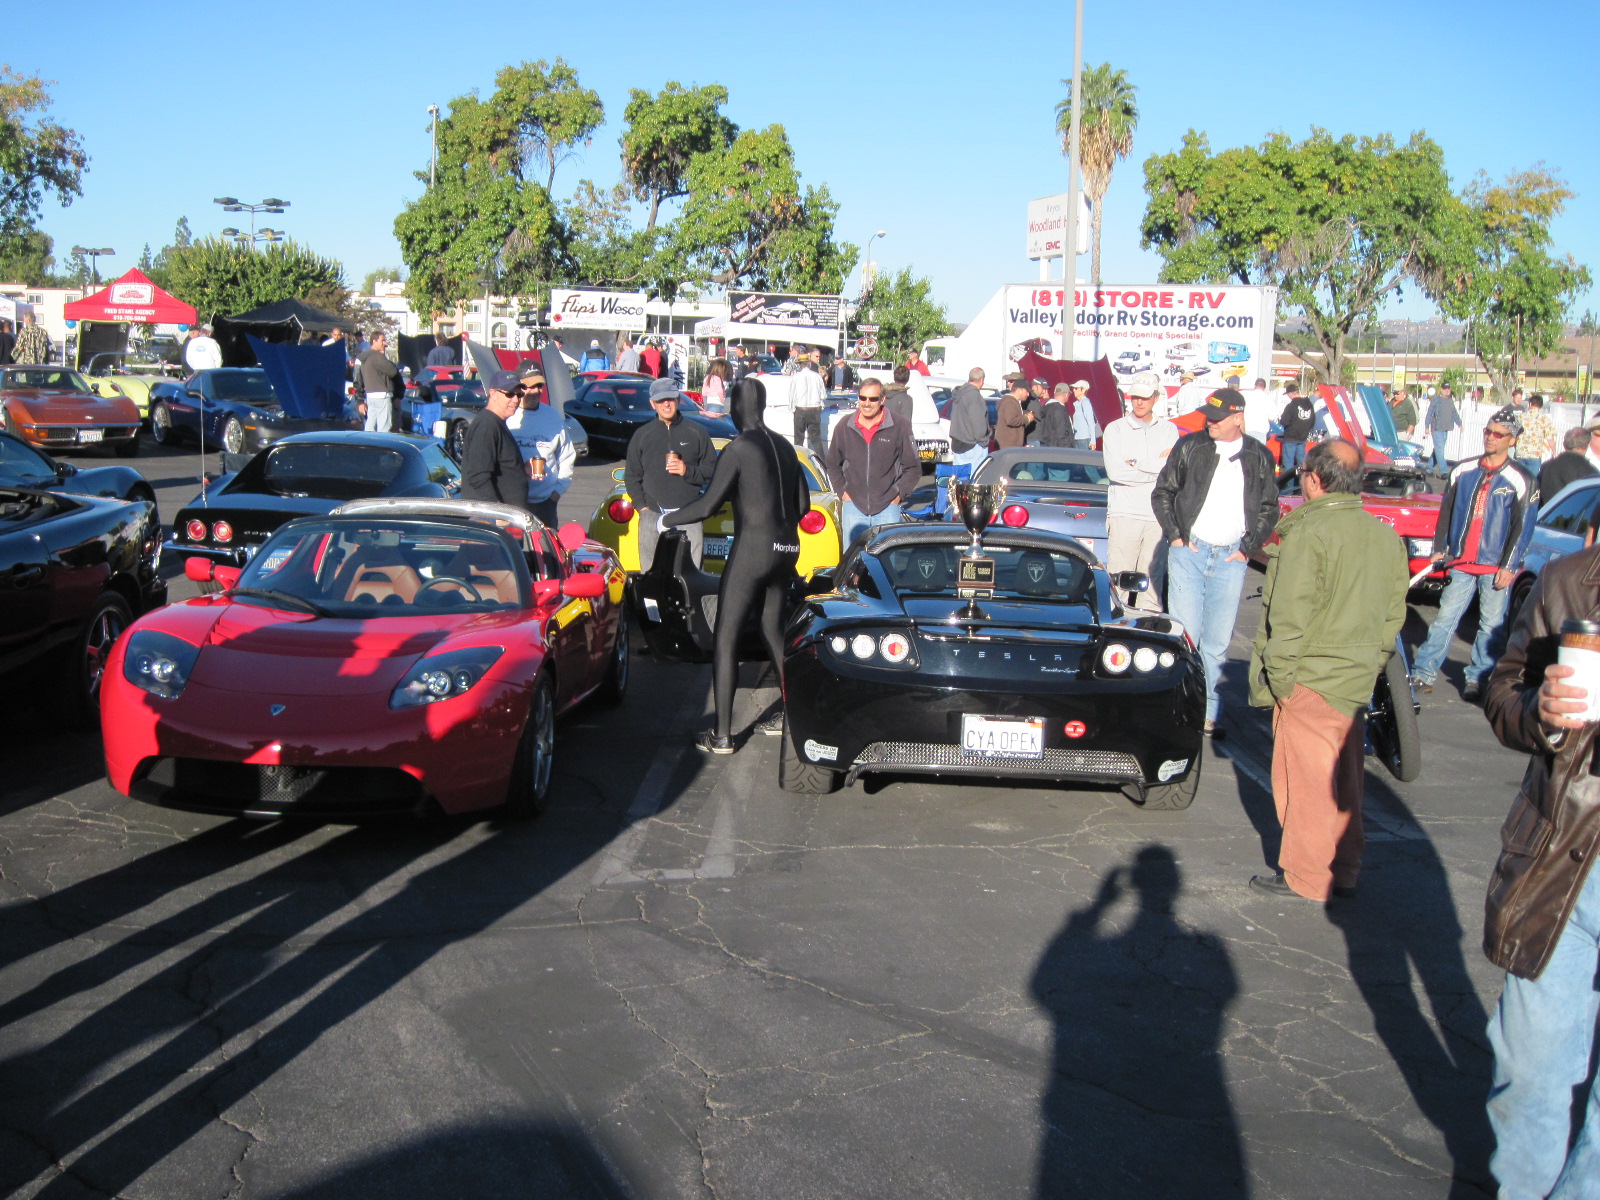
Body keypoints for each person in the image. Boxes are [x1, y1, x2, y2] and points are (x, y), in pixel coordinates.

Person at [1481, 536, 1600, 1197]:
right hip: (1562, 861)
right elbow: (1505, 688)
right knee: (1529, 1075)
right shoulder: (1566, 583)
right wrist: (1541, 715)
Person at [1246, 438, 1409, 902]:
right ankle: (1344, 870)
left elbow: (1289, 618)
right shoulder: (1383, 535)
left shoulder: (1309, 534)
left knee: (1308, 785)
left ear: (1314, 479)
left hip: (1310, 679)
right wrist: (1372, 663)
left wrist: (1280, 680)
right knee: (1345, 781)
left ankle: (1307, 876)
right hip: (1355, 677)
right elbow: (1393, 617)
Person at [664, 378, 810, 754]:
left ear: (736, 408)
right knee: (773, 632)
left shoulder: (739, 447)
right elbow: (804, 507)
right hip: (787, 549)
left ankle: (723, 735)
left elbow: (707, 505)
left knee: (726, 637)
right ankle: (795, 717)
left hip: (754, 549)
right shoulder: (786, 448)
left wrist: (668, 519)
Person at [1151, 388, 1280, 736]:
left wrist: (1248, 547)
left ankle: (1208, 714)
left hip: (1231, 556)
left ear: (1238, 418)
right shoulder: (1190, 446)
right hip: (1189, 553)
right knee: (1185, 635)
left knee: (1217, 643)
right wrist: (1176, 535)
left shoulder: (1259, 456)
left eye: (1217, 417)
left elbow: (1270, 507)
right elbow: (1163, 491)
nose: (1209, 422)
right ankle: (1180, 707)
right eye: (1207, 415)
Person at [1411, 406, 1538, 702]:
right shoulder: (1462, 470)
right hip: (1460, 561)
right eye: (1487, 431)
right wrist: (1439, 548)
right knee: (1445, 618)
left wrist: (1509, 565)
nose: (1490, 438)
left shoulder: (1523, 479)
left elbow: (1524, 527)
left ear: (1512, 440)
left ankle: (1479, 677)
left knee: (1490, 626)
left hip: (1495, 565)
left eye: (1498, 434)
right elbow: (1446, 512)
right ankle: (1423, 672)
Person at [1102, 374, 1179, 612]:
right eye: (1135, 397)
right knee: (1119, 577)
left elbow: (1172, 469)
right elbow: (1116, 472)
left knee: (1153, 581)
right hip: (1124, 513)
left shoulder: (1169, 429)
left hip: (1157, 516)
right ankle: (1116, 621)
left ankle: (1150, 626)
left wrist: (1136, 463)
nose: (1139, 402)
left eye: (1145, 397)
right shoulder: (1115, 429)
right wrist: (1156, 466)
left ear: (1155, 398)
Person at [626, 377, 716, 571]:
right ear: (652, 403)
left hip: (689, 515)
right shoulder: (642, 435)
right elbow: (632, 476)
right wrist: (642, 508)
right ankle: (652, 603)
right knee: (650, 573)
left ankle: (689, 603)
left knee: (691, 574)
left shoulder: (696, 432)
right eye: (660, 400)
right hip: (652, 515)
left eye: (671, 399)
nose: (666, 404)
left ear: (678, 400)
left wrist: (687, 471)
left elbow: (712, 470)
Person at [826, 377, 920, 547]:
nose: (867, 403)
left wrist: (898, 494)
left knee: (887, 564)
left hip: (887, 507)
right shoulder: (844, 426)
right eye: (862, 398)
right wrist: (843, 492)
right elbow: (832, 463)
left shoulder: (900, 425)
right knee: (853, 566)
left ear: (882, 399)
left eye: (873, 399)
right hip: (853, 507)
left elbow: (913, 468)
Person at [505, 368, 575, 526]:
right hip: (512, 502)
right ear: (520, 387)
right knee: (516, 549)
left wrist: (556, 494)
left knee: (545, 550)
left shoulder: (552, 416)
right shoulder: (508, 414)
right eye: (530, 386)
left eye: (540, 386)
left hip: (545, 503)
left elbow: (566, 456)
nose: (536, 391)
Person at [460, 369, 529, 508]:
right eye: (509, 394)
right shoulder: (487, 426)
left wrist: (522, 468)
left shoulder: (497, 422)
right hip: (493, 519)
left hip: (509, 516)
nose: (515, 400)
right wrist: (498, 513)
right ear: (493, 393)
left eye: (519, 394)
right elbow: (478, 476)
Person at [356, 332, 402, 432]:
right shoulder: (376, 356)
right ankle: (382, 446)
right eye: (383, 340)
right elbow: (393, 372)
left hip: (370, 396)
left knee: (370, 427)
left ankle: (368, 444)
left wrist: (360, 401)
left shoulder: (362, 358)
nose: (385, 343)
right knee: (384, 428)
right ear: (374, 341)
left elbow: (357, 380)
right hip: (382, 396)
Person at [948, 368, 991, 471]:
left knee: (960, 480)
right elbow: (978, 423)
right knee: (974, 483)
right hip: (973, 445)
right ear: (982, 380)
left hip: (958, 443)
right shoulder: (974, 396)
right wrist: (984, 440)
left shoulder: (959, 394)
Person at [1540, 426, 1597, 502]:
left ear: (1564, 444)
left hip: (1547, 512)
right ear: (1587, 445)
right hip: (1573, 513)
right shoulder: (1589, 471)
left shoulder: (1546, 466)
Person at [790, 359, 827, 454]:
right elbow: (823, 395)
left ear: (800, 365)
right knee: (816, 440)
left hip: (800, 409)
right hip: (814, 410)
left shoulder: (796, 377)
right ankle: (821, 464)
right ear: (809, 365)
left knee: (798, 441)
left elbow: (791, 395)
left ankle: (798, 463)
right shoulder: (817, 376)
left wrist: (792, 409)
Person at [1277, 383, 1315, 470]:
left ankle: (1288, 483)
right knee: (1301, 463)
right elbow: (1312, 421)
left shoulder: (1291, 406)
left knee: (1288, 463)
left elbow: (1284, 421)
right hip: (1303, 437)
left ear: (1290, 393)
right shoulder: (1309, 405)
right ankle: (1301, 482)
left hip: (1291, 437)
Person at [1425, 382, 1460, 475]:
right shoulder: (1436, 400)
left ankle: (1429, 468)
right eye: (1445, 389)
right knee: (1440, 450)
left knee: (1438, 450)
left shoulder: (1450, 400)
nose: (1447, 390)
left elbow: (1454, 413)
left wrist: (1459, 424)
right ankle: (1444, 471)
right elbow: (1429, 413)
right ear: (1441, 389)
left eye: (1448, 389)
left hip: (1446, 429)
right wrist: (1426, 426)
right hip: (1436, 429)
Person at [1520, 394, 1557, 469]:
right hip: (1534, 453)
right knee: (1532, 479)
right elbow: (1550, 438)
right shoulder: (1544, 419)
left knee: (1519, 478)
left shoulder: (1521, 417)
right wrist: (1554, 452)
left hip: (1520, 452)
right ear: (1541, 406)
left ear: (1530, 404)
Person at [995, 378, 1033, 449]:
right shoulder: (1010, 402)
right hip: (1008, 446)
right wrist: (1026, 418)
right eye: (1026, 391)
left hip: (1012, 446)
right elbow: (1011, 420)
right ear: (1019, 390)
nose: (1028, 394)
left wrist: (1022, 445)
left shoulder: (1012, 402)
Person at [1036, 383, 1076, 448]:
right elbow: (1061, 433)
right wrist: (1068, 448)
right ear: (1066, 394)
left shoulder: (1047, 408)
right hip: (1060, 450)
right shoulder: (1058, 410)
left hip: (1048, 448)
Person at [1068, 379, 1101, 449]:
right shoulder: (1078, 403)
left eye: (1076, 388)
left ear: (1083, 390)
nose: (1073, 390)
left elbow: (1090, 421)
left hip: (1084, 439)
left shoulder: (1085, 402)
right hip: (1078, 438)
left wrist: (1093, 441)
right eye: (1073, 388)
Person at [1243, 377, 1275, 444]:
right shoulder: (1268, 400)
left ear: (1255, 386)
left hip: (1247, 429)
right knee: (1260, 453)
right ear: (1265, 387)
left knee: (1248, 452)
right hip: (1261, 430)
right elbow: (1272, 417)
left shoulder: (1246, 397)